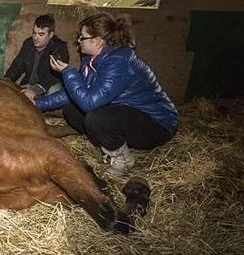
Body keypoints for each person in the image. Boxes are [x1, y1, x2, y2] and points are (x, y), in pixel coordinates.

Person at [34, 12, 178, 175]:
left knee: (97, 118)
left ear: (97, 41)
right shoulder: (92, 59)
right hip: (126, 114)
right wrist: (38, 104)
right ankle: (101, 142)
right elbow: (74, 93)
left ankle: (123, 159)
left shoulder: (118, 62)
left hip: (156, 124)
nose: (78, 41)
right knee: (71, 110)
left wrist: (68, 72)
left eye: (82, 37)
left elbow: (89, 103)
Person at [4, 14, 69, 101]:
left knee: (54, 91)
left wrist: (36, 89)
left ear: (51, 35)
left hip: (48, 86)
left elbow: (55, 76)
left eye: (41, 34)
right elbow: (17, 66)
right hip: (29, 84)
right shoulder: (28, 43)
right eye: (34, 33)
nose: (35, 38)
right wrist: (6, 81)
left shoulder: (59, 47)